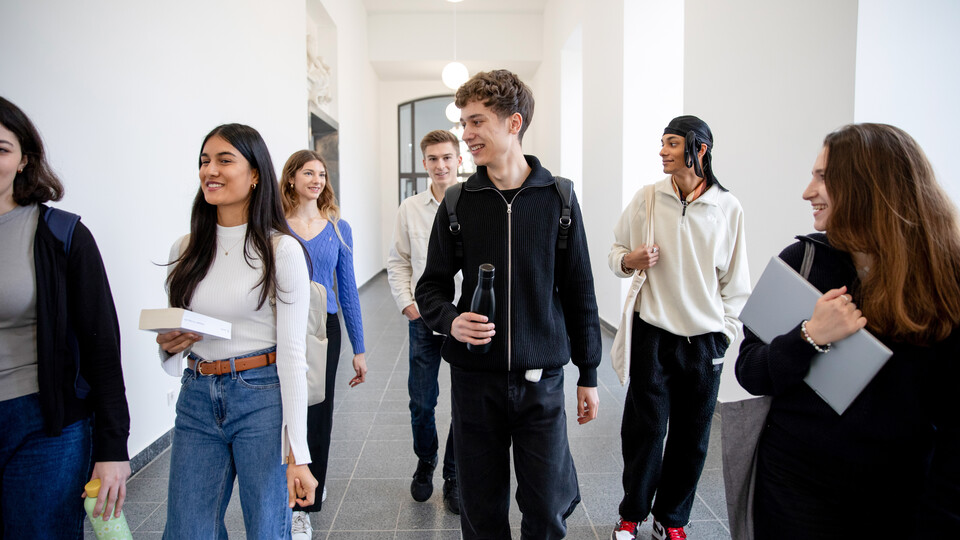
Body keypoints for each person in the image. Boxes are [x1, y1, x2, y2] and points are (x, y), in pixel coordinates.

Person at [735, 123, 960, 539]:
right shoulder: (801, 259)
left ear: (868, 186)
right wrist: (809, 335)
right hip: (793, 484)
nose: (807, 191)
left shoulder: (945, 278)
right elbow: (749, 371)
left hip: (898, 496)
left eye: (823, 177)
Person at [415, 69, 602, 540]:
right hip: (476, 382)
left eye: (477, 121)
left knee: (546, 510)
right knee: (481, 512)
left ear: (514, 122)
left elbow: (580, 288)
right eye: (464, 123)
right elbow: (431, 287)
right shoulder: (458, 202)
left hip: (542, 382)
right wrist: (452, 321)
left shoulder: (559, 198)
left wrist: (590, 374)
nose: (467, 134)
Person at [157, 124, 318, 539]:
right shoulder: (185, 248)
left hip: (261, 397)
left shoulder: (281, 250)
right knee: (188, 531)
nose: (210, 169)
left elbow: (293, 355)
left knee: (267, 528)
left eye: (225, 160)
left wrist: (298, 452)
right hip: (197, 394)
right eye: (204, 161)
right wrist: (170, 347)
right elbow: (178, 337)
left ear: (255, 174)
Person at [608, 115, 750, 540]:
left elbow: (736, 283)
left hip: (705, 343)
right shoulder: (648, 198)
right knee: (645, 430)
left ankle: (672, 520)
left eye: (671, 143)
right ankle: (632, 513)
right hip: (653, 333)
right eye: (662, 143)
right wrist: (631, 260)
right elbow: (615, 253)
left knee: (693, 438)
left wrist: (724, 333)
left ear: (699, 149)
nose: (663, 151)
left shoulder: (728, 207)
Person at [0, 96, 130, 539]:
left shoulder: (62, 235)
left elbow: (102, 351)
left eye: (1, 149)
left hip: (43, 427)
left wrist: (112, 447)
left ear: (23, 161)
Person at [280, 149, 367, 539]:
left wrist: (359, 349)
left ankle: (306, 504)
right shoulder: (274, 225)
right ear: (291, 179)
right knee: (281, 411)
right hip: (281, 326)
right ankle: (290, 484)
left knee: (318, 410)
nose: (316, 180)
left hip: (323, 328)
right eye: (308, 173)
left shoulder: (338, 228)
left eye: (321, 174)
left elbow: (347, 292)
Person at [387, 129, 462, 514]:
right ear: (424, 164)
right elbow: (398, 260)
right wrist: (407, 303)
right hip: (423, 319)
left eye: (447, 157)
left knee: (464, 403)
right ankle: (426, 460)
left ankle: (453, 475)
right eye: (433, 159)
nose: (440, 165)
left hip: (464, 321)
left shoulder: (472, 203)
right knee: (422, 401)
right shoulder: (409, 208)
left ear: (459, 161)